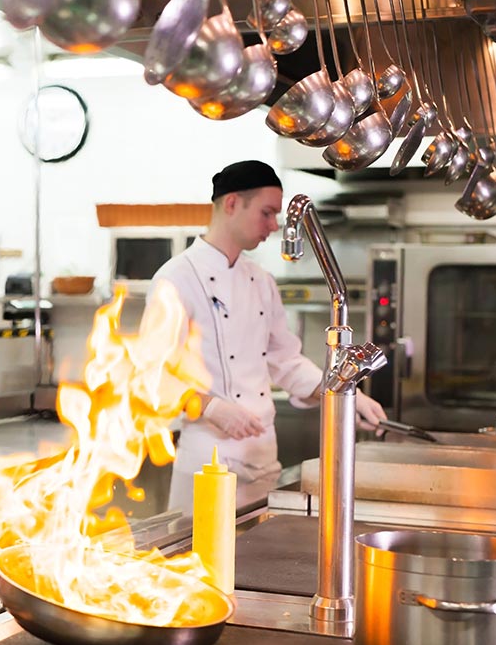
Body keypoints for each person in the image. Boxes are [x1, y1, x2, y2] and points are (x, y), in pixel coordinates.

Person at [147, 161, 387, 515]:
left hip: (262, 460)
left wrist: (340, 392)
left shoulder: (261, 280)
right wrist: (211, 407)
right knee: (203, 565)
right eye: (267, 213)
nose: (274, 225)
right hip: (208, 462)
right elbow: (153, 375)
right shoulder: (175, 279)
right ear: (231, 204)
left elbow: (285, 360)